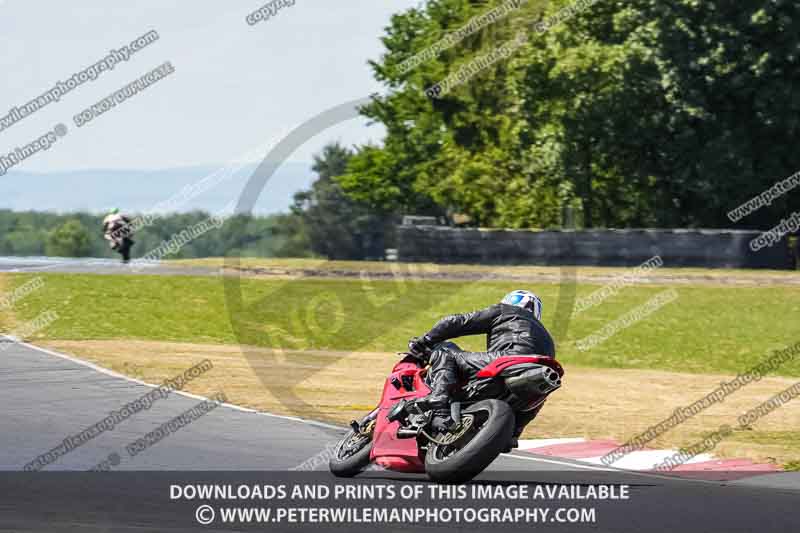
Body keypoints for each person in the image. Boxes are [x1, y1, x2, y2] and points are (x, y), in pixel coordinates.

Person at [408, 290, 556, 445]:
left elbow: (455, 322)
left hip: (508, 360)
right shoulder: (547, 338)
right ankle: (512, 434)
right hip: (531, 378)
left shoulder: (506, 310)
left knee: (447, 354)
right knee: (540, 393)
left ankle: (438, 403)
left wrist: (425, 340)